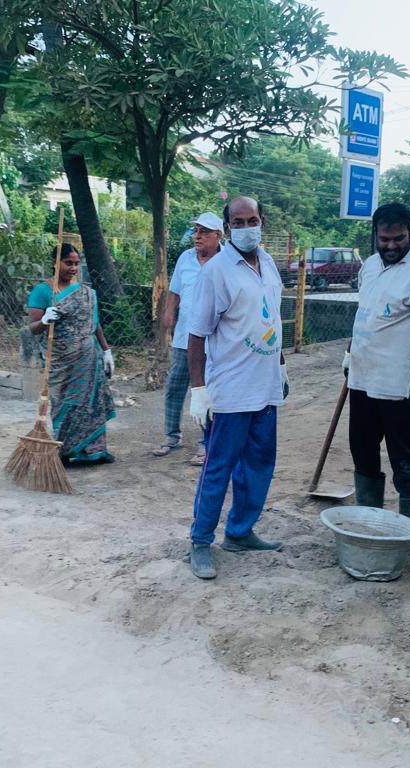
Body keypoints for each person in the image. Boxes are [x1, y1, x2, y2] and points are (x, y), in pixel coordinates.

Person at [185, 196, 288, 580]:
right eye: (239, 223)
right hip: (229, 391)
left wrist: (281, 366)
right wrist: (199, 389)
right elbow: (197, 334)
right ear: (227, 229)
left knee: (259, 465)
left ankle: (240, 532)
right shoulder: (216, 272)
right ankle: (200, 541)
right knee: (219, 467)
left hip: (265, 387)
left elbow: (272, 319)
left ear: (262, 223)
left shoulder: (269, 263)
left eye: (253, 221)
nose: (247, 228)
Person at [342, 203, 410, 522]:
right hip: (362, 379)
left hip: (399, 386)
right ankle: (369, 517)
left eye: (398, 239)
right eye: (384, 239)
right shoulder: (370, 266)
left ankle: (408, 523)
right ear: (375, 234)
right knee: (362, 449)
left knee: (403, 455)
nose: (391, 246)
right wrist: (350, 352)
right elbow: (364, 314)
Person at [26, 243, 117, 465]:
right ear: (55, 263)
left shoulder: (85, 292)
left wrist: (106, 350)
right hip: (61, 362)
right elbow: (33, 328)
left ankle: (94, 450)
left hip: (89, 358)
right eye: (68, 263)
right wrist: (45, 320)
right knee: (65, 403)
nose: (73, 268)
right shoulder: (42, 292)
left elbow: (94, 324)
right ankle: (65, 450)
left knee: (92, 402)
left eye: (76, 264)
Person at [154, 212, 224, 463]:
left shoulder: (227, 260)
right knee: (175, 385)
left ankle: (206, 442)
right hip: (185, 336)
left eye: (204, 232)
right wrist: (168, 313)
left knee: (207, 390)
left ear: (218, 235)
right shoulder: (186, 258)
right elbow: (175, 291)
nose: (197, 236)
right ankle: (171, 436)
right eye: (196, 231)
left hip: (214, 340)